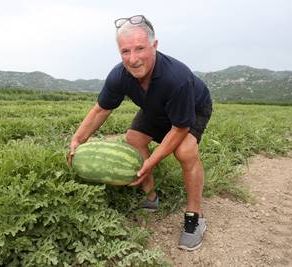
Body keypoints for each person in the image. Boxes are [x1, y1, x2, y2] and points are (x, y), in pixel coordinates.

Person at [67, 15, 212, 251]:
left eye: (140, 49)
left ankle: (195, 216)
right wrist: (77, 139)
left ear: (154, 46)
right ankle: (151, 198)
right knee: (134, 138)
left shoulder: (177, 78)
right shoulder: (119, 75)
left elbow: (179, 128)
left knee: (185, 151)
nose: (132, 59)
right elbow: (101, 110)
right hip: (155, 107)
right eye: (125, 51)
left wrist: (151, 162)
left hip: (191, 108)